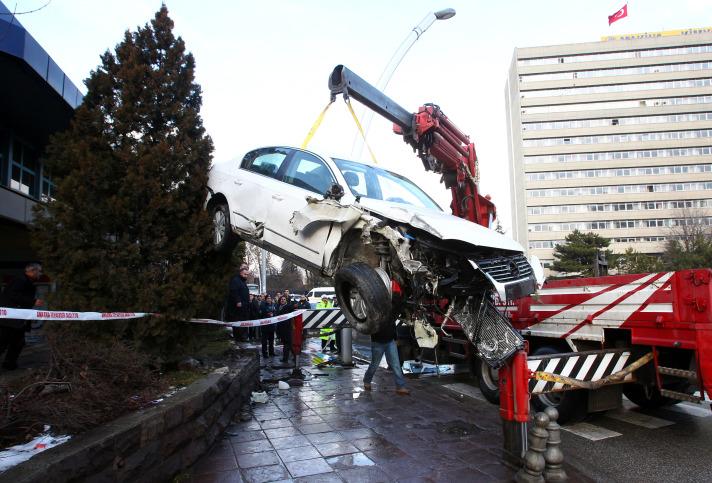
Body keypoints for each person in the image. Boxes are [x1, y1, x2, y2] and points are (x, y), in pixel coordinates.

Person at [0, 263, 43, 370]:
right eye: (39, 271)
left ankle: (9, 364)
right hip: (10, 320)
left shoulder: (26, 281)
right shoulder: (20, 280)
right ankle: (9, 363)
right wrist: (33, 301)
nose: (40, 274)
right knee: (3, 342)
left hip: (18, 320)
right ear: (32, 271)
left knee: (17, 342)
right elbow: (12, 295)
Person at [363, 318, 410, 395]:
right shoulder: (375, 313)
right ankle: (367, 380)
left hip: (390, 341)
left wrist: (395, 338)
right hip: (378, 342)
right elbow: (371, 327)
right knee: (374, 364)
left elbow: (393, 325)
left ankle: (401, 387)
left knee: (396, 365)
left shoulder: (389, 311)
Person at [226, 264, 251, 340]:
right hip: (238, 308)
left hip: (244, 307)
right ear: (240, 273)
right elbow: (234, 291)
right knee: (238, 322)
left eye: (247, 274)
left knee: (243, 322)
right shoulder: (236, 280)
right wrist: (238, 301)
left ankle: (243, 337)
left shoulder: (243, 282)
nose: (246, 276)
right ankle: (239, 337)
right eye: (245, 274)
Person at [276, 295, 294, 363]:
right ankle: (295, 356)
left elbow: (293, 311)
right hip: (281, 328)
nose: (282, 300)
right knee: (289, 344)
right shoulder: (278, 307)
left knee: (287, 344)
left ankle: (285, 359)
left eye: (284, 299)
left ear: (286, 300)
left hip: (287, 328)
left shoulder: (288, 306)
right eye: (281, 299)